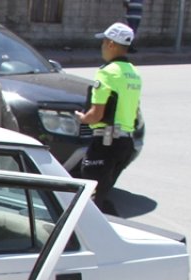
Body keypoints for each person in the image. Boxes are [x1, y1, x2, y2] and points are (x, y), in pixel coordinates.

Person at [77, 22, 142, 215]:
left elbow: (96, 114)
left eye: (104, 42)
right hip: (126, 143)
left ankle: (89, 238)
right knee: (102, 194)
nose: (102, 47)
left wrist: (82, 118)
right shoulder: (133, 72)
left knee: (90, 198)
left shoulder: (107, 72)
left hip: (106, 142)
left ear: (112, 44)